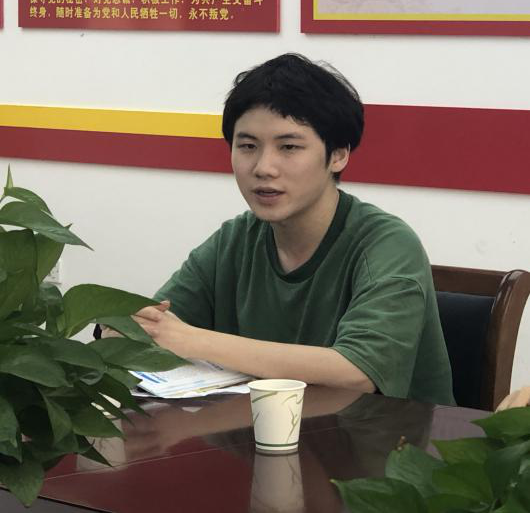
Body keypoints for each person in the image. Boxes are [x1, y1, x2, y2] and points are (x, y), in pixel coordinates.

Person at [129, 53, 454, 405]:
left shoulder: (387, 244)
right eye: (248, 146)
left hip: (385, 437)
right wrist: (125, 327)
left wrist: (194, 341)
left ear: (338, 155)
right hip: (256, 431)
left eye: (289, 147)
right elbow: (156, 326)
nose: (263, 167)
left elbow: (358, 371)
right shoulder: (235, 239)